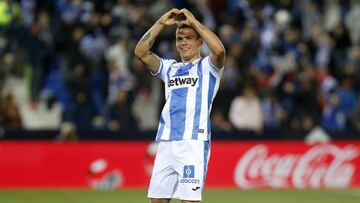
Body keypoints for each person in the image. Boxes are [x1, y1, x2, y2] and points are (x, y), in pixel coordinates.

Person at [134, 8, 225, 203]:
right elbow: (140, 53)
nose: (183, 43)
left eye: (188, 38)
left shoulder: (208, 67)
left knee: (188, 201)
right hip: (166, 142)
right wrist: (160, 23)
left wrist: (194, 22)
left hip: (193, 143)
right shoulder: (170, 68)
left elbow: (219, 50)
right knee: (157, 200)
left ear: (199, 41)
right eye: (179, 38)